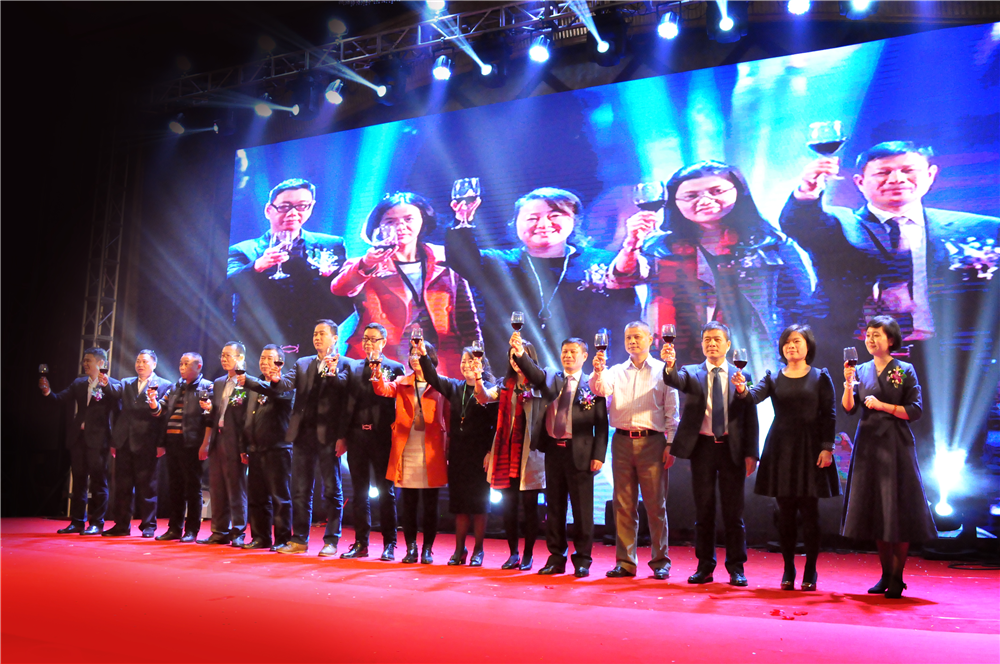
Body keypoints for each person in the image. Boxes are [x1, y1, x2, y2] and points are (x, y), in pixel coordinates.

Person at [780, 141, 999, 344]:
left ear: (930, 175)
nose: (896, 179)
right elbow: (800, 222)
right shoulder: (840, 224)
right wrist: (807, 190)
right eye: (883, 172)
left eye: (908, 170)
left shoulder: (981, 229)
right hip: (857, 351)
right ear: (860, 182)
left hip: (949, 350)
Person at [611, 161, 813, 372]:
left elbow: (800, 300)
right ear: (674, 202)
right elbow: (624, 278)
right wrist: (631, 243)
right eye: (691, 196)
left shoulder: (770, 243)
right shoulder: (659, 247)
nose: (705, 200)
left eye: (716, 191)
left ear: (738, 191)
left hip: (755, 350)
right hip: (680, 353)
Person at [446, 187, 641, 369]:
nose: (543, 224)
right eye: (532, 218)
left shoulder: (602, 261)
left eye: (555, 216)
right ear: (515, 224)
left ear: (575, 221)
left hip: (587, 370)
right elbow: (461, 259)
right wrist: (462, 221)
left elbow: (627, 314)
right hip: (512, 372)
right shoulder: (498, 262)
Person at [732, 325, 840, 591]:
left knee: (810, 511)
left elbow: (829, 414)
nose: (791, 346)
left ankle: (811, 569)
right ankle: (789, 568)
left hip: (811, 448)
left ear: (808, 346)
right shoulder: (773, 377)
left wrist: (827, 448)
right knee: (785, 513)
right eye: (787, 342)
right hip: (781, 447)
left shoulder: (820, 376)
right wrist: (742, 388)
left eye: (797, 341)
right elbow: (752, 397)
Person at [330, 192, 482, 378]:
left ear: (423, 220)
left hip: (440, 365)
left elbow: (468, 322)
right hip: (381, 364)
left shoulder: (446, 261)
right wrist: (367, 264)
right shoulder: (366, 264)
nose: (400, 226)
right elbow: (340, 288)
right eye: (390, 221)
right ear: (378, 227)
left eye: (408, 219)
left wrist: (477, 366)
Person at [841, 316, 936, 599]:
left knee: (897, 509)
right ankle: (885, 574)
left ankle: (897, 576)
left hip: (896, 445)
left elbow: (915, 410)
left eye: (877, 335)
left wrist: (884, 406)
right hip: (868, 445)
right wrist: (848, 385)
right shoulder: (860, 370)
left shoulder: (905, 369)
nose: (870, 340)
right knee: (877, 510)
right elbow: (849, 409)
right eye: (868, 335)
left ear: (891, 340)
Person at [662, 322, 759, 586]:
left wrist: (752, 453)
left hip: (731, 449)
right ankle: (704, 566)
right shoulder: (691, 372)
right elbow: (674, 379)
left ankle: (736, 568)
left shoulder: (742, 375)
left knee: (733, 513)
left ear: (728, 344)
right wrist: (669, 365)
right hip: (703, 448)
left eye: (717, 339)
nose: (712, 344)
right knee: (703, 511)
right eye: (707, 339)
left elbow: (750, 416)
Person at [512, 334, 608, 578]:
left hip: (582, 454)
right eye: (565, 351)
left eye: (574, 352)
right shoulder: (551, 378)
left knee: (582, 511)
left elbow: (602, 425)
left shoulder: (593, 385)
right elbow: (533, 374)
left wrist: (599, 455)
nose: (568, 356)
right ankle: (556, 557)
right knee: (554, 508)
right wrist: (520, 353)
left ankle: (583, 559)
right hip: (554, 451)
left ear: (584, 356)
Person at [590, 321, 679, 580]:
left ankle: (660, 561)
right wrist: (598, 371)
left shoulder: (664, 370)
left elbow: (672, 411)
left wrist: (671, 443)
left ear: (650, 339)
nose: (632, 341)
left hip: (653, 442)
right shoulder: (616, 371)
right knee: (623, 505)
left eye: (637, 337)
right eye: (628, 337)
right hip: (621, 442)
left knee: (655, 506)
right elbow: (599, 389)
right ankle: (626, 562)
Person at [228, 178, 352, 351]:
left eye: (302, 206)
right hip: (260, 345)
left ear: (311, 208)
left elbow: (344, 295)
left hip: (315, 345)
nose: (293, 213)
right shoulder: (243, 250)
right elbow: (226, 284)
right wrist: (258, 265)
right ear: (268, 210)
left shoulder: (331, 245)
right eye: (285, 206)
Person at [272, 320, 348, 556]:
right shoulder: (303, 363)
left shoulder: (346, 364)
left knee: (331, 489)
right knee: (300, 489)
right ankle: (299, 539)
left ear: (335, 338)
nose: (317, 337)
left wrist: (343, 436)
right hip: (302, 434)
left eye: (322, 334)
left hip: (329, 436)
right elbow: (286, 384)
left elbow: (346, 399)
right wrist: (275, 378)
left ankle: (331, 540)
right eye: (315, 334)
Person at [419, 344, 498, 567]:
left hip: (480, 454)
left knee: (480, 505)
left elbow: (496, 425)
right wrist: (423, 354)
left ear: (481, 364)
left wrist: (490, 451)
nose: (466, 365)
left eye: (471, 361)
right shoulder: (455, 387)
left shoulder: (491, 390)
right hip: (458, 454)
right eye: (463, 361)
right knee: (460, 504)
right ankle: (459, 549)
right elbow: (432, 377)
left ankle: (478, 550)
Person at [372, 341, 449, 564]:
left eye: (419, 354)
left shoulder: (441, 383)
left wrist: (449, 448)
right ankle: (411, 548)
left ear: (429, 357)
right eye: (412, 354)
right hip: (407, 448)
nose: (415, 358)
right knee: (409, 503)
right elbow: (381, 389)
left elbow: (449, 417)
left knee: (431, 503)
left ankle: (427, 549)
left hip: (432, 449)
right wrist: (376, 372)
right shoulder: (402, 382)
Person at [336, 323, 406, 560]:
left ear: (384, 342)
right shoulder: (353, 367)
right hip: (357, 437)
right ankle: (361, 543)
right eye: (366, 339)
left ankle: (389, 544)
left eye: (373, 339)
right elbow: (345, 405)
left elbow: (397, 403)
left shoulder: (394, 368)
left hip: (382, 437)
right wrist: (342, 436)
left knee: (386, 492)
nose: (368, 343)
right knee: (359, 493)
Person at [39, 347, 121, 535]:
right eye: (84, 360)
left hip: (99, 440)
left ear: (101, 363)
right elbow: (60, 399)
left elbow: (119, 413)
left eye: (88, 360)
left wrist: (115, 441)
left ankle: (97, 522)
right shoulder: (79, 383)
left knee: (98, 482)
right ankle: (77, 521)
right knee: (78, 481)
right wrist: (47, 392)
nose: (84, 364)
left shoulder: (112, 385)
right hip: (78, 438)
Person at [479, 341, 546, 571]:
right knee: (509, 507)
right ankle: (513, 553)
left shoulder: (540, 383)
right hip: (506, 453)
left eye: (519, 355)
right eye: (512, 356)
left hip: (530, 453)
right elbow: (484, 397)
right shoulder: (505, 384)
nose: (516, 361)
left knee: (530, 507)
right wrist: (478, 379)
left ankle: (528, 554)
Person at [104, 350, 168, 538]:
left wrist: (161, 443)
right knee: (122, 486)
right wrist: (105, 382)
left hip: (148, 441)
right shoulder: (126, 383)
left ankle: (148, 525)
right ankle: (121, 524)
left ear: (154, 364)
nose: (140, 364)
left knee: (148, 486)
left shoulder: (164, 385)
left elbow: (163, 419)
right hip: (124, 440)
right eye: (138, 361)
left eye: (145, 361)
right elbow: (113, 392)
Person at [152, 353, 214, 543]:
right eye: (180, 363)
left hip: (192, 442)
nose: (182, 367)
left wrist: (205, 444)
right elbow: (161, 410)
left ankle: (192, 530)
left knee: (192, 487)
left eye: (186, 364)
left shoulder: (207, 386)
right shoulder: (175, 386)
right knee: (175, 486)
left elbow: (210, 417)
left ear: (198, 366)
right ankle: (174, 528)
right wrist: (153, 402)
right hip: (173, 441)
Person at [240, 345, 295, 551]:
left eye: (269, 358)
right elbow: (246, 419)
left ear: (280, 362)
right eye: (262, 358)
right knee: (257, 497)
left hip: (278, 449)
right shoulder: (256, 385)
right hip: (255, 449)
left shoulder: (285, 385)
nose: (264, 362)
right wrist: (244, 446)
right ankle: (260, 537)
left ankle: (282, 538)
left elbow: (273, 391)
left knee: (280, 497)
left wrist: (248, 380)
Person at [198, 342, 250, 547]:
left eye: (229, 355)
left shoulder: (246, 382)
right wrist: (208, 408)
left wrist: (244, 447)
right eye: (222, 355)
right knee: (217, 487)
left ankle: (238, 532)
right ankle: (219, 531)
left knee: (236, 488)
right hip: (218, 439)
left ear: (240, 358)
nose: (224, 359)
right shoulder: (219, 382)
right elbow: (215, 414)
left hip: (236, 440)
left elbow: (244, 417)